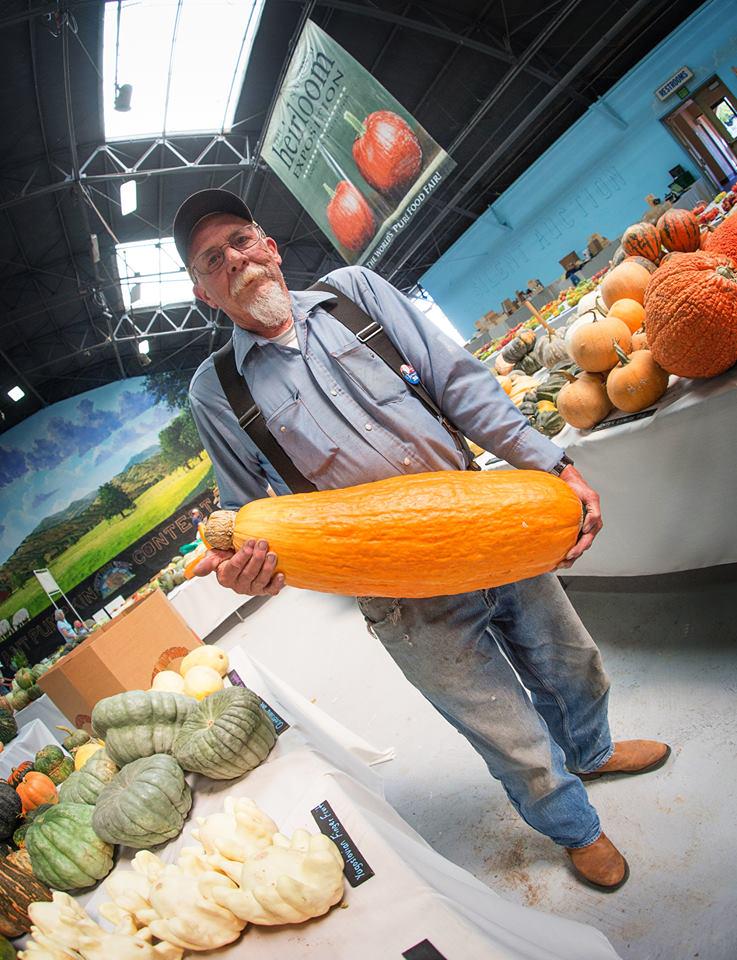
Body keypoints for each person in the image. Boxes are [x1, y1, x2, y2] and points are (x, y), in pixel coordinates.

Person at [173, 188, 670, 892]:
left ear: (270, 245)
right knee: (502, 726)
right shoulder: (215, 390)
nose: (236, 260)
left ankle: (591, 751)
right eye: (213, 258)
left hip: (490, 523)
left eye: (242, 239)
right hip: (396, 587)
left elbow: (458, 382)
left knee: (571, 661)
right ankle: (575, 829)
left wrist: (550, 461)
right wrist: (251, 568)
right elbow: (245, 511)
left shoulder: (353, 294)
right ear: (203, 290)